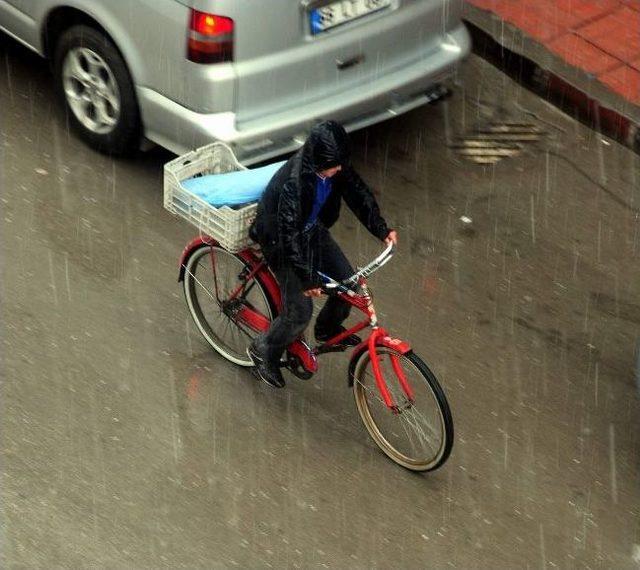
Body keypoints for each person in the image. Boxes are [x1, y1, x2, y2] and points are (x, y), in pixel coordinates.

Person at [247, 120, 398, 388]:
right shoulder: (295, 182)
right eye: (333, 165)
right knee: (299, 312)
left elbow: (357, 193)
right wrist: (307, 278)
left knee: (349, 285)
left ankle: (326, 329)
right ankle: (264, 349)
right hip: (280, 239)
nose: (339, 169)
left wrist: (380, 228)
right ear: (317, 160)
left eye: (340, 162)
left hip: (309, 228)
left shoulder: (333, 165)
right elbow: (288, 234)